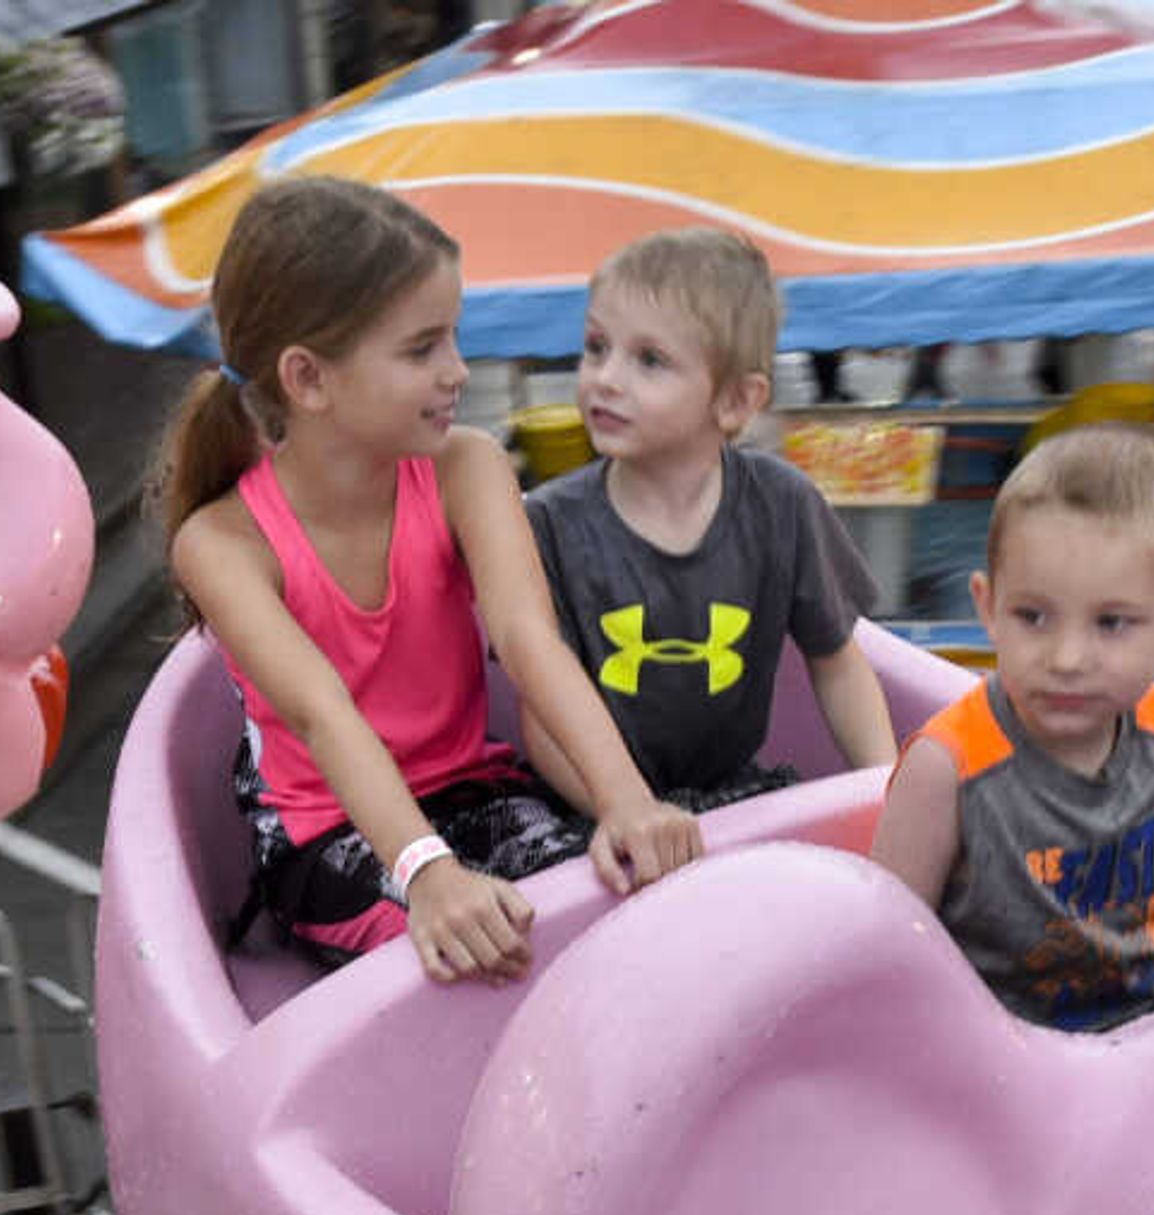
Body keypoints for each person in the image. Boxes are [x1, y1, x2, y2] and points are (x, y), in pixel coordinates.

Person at [152, 176, 697, 984]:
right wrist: (429, 876)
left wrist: (625, 797)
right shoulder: (223, 541)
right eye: (421, 349)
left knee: (606, 915)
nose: (458, 371)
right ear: (308, 379)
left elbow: (525, 638)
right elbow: (322, 713)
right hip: (329, 834)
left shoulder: (465, 466)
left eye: (452, 338)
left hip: (475, 790)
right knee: (486, 958)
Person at [866, 425, 1154, 1033]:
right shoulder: (951, 768)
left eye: (1111, 623)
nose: (1065, 657)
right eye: (1032, 616)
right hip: (995, 1070)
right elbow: (882, 952)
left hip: (1140, 1050)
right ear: (987, 607)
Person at [519, 226, 894, 817]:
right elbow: (542, 718)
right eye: (596, 347)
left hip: (729, 794)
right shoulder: (547, 525)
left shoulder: (782, 504)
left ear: (736, 402)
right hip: (589, 804)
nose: (605, 378)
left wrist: (884, 787)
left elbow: (839, 664)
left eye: (650, 360)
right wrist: (627, 813)